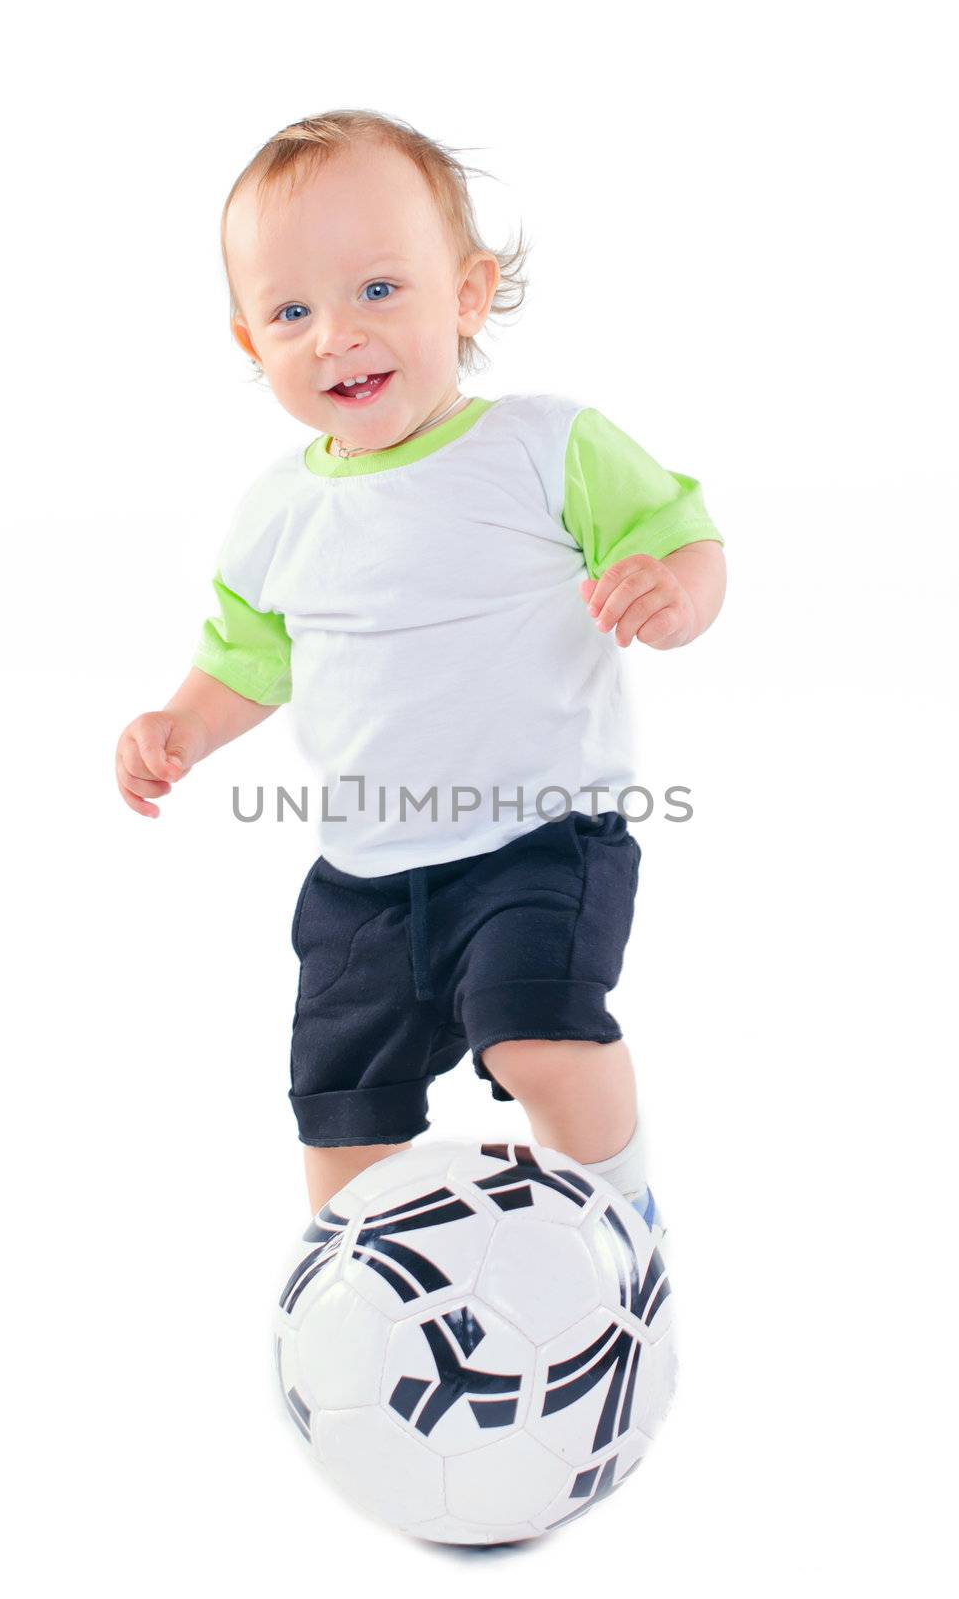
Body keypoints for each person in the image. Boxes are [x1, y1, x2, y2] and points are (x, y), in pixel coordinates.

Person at [114, 110, 727, 1224]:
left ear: (468, 294)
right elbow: (249, 657)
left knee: (539, 1037)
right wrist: (183, 725)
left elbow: (681, 535)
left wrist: (674, 592)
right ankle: (361, 1287)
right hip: (362, 880)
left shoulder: (542, 446)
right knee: (342, 1110)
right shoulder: (276, 513)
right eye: (292, 311)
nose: (336, 335)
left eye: (379, 291)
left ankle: (620, 1226)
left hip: (540, 840)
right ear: (253, 346)